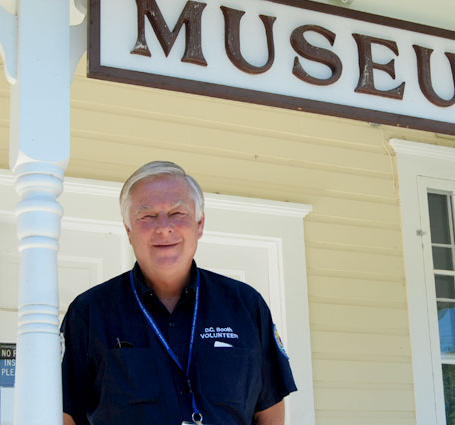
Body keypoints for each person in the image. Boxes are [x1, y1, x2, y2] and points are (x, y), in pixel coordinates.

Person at [61, 161, 296, 425]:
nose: (164, 226)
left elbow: (270, 410)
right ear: (128, 230)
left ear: (200, 223)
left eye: (177, 213)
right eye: (147, 216)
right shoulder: (89, 312)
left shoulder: (245, 305)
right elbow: (67, 415)